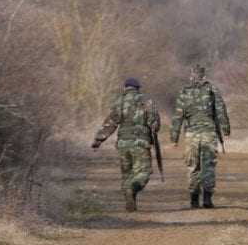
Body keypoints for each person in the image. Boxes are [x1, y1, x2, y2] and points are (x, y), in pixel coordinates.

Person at [91, 78, 160, 212]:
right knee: (143, 172)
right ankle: (133, 188)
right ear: (138, 88)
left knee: (127, 174)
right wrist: (153, 129)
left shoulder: (119, 102)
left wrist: (98, 139)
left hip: (123, 144)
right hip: (141, 143)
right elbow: (155, 125)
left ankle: (130, 201)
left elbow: (111, 123)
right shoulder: (147, 102)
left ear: (125, 88)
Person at [171, 65, 230, 209]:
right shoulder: (212, 89)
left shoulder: (185, 92)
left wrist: (174, 136)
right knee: (208, 166)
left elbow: (178, 116)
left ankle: (194, 200)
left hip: (191, 134)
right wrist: (225, 128)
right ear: (204, 75)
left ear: (191, 75)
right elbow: (221, 110)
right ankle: (207, 199)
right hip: (209, 133)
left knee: (193, 166)